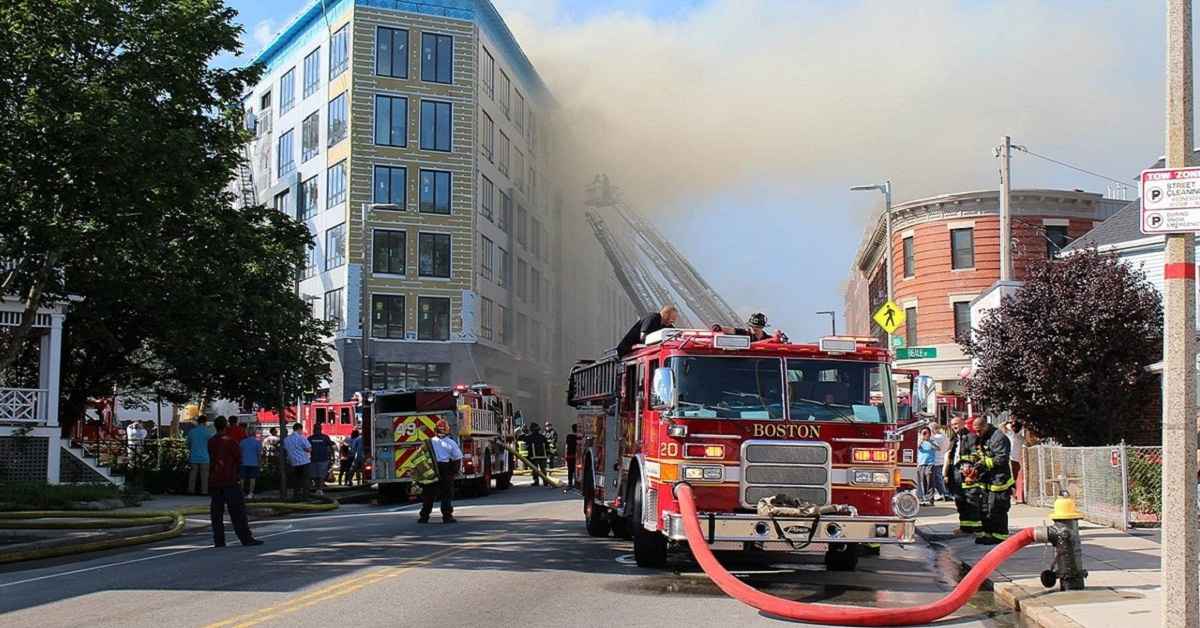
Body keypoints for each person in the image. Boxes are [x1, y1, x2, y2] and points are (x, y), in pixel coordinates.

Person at [207, 416, 263, 548]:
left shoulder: (211, 441)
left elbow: (212, 458)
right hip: (230, 480)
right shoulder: (230, 442)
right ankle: (245, 538)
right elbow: (238, 459)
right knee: (237, 512)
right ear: (225, 426)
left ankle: (219, 540)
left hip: (215, 480)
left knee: (216, 512)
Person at [967, 416, 1014, 545]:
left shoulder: (998, 437)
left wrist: (984, 463)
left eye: (979, 430)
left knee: (996, 508)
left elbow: (1002, 458)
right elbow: (977, 452)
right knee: (985, 508)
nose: (977, 433)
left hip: (999, 481)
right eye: (975, 431)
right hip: (986, 479)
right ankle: (988, 534)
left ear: (986, 426)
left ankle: (1000, 536)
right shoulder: (981, 437)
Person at [942, 416, 981, 536]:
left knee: (971, 502)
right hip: (955, 474)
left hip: (967, 474)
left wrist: (969, 469)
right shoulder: (955, 439)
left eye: (957, 423)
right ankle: (965, 528)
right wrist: (947, 475)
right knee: (960, 501)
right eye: (952, 424)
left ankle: (976, 529)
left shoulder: (971, 437)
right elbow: (950, 458)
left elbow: (976, 456)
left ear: (963, 423)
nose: (954, 426)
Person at [419, 419, 462, 524]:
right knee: (446, 494)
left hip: (431, 470)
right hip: (445, 469)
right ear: (447, 430)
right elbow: (457, 458)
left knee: (428, 494)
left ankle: (424, 517)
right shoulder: (451, 443)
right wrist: (454, 472)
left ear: (435, 430)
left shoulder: (429, 442)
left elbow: (421, 456)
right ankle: (447, 517)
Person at [283, 422, 312, 500]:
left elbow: (285, 450)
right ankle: (305, 497)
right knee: (305, 480)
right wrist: (304, 449)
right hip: (304, 462)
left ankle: (296, 496)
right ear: (300, 429)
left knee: (296, 481)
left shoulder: (286, 439)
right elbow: (309, 449)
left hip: (293, 463)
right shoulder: (301, 437)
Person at [713, 312, 786, 343]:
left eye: (757, 327)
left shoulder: (768, 339)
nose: (754, 328)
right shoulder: (745, 333)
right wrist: (719, 327)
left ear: (762, 327)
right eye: (752, 326)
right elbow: (731, 330)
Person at [187, 416, 214, 495]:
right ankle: (204, 491)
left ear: (198, 422)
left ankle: (191, 490)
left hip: (194, 456)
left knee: (192, 475)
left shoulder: (192, 431)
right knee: (204, 476)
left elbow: (188, 444)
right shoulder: (208, 432)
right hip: (205, 457)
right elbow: (211, 444)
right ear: (205, 422)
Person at [308, 423, 334, 495]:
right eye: (316, 428)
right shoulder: (324, 437)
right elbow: (331, 447)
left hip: (318, 460)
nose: (316, 430)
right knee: (318, 476)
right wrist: (332, 458)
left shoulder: (311, 438)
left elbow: (331, 447)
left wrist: (332, 457)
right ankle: (319, 489)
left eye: (316, 428)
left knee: (318, 476)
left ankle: (319, 489)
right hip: (319, 460)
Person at [1004, 419, 1026, 504]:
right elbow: (1001, 426)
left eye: (1016, 426)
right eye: (1012, 426)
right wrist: (1007, 421)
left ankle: (1013, 497)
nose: (1014, 428)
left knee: (1013, 479)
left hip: (1016, 461)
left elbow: (1029, 443)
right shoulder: (1009, 433)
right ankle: (1012, 497)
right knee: (1010, 479)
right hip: (1009, 458)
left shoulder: (1020, 437)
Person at [522, 422, 550, 486]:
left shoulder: (529, 437)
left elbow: (523, 440)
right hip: (543, 456)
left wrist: (524, 432)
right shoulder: (543, 437)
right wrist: (548, 455)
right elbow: (547, 446)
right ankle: (545, 482)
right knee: (543, 469)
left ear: (531, 430)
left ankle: (536, 481)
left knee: (535, 470)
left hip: (534, 457)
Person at [916, 427, 938, 506]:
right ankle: (923, 498)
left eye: (926, 433)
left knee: (930, 482)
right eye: (923, 433)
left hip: (930, 464)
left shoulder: (932, 442)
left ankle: (930, 499)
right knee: (922, 482)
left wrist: (929, 441)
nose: (925, 435)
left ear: (929, 434)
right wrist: (921, 440)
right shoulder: (920, 442)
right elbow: (917, 447)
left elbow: (938, 448)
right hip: (921, 464)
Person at [930, 423, 951, 501]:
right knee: (940, 478)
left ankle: (944, 493)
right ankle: (943, 493)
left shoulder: (935, 438)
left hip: (935, 460)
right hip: (942, 459)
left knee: (938, 479)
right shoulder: (945, 437)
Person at [239, 430, 262, 499]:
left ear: (247, 434)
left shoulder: (242, 442)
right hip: (254, 463)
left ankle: (241, 493)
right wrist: (260, 463)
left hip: (243, 462)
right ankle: (250, 493)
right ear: (254, 434)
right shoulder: (257, 442)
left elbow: (240, 452)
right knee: (252, 479)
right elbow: (259, 455)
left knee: (242, 478)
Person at [565, 424, 580, 489]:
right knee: (576, 470)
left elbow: (566, 446)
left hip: (569, 455)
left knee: (570, 470)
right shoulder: (579, 437)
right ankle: (576, 483)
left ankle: (570, 483)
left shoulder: (568, 436)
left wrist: (565, 456)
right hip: (576, 456)